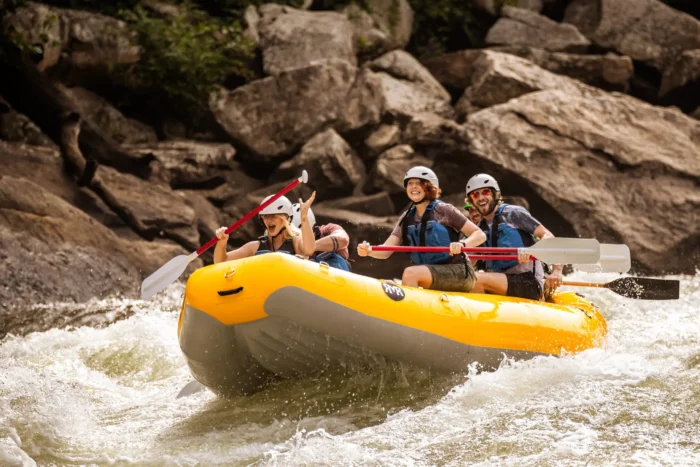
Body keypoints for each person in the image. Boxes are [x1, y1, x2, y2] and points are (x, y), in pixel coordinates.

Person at [357, 166, 486, 292]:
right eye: (410, 183)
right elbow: (386, 251)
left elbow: (479, 234)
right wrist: (369, 250)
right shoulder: (406, 218)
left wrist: (462, 244)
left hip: (459, 272)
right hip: (430, 272)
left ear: (430, 187)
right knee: (401, 278)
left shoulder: (444, 210)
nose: (413, 187)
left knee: (410, 273)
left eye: (419, 183)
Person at [466, 174, 563, 300]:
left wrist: (556, 272)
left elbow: (548, 235)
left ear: (495, 194)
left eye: (485, 192)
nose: (481, 197)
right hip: (502, 283)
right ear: (472, 201)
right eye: (475, 195)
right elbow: (469, 260)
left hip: (529, 282)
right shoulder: (480, 230)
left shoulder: (513, 213)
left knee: (476, 280)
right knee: (468, 279)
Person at [214, 194, 316, 262]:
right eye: (266, 216)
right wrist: (222, 243)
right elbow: (221, 261)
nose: (269, 220)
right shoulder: (255, 247)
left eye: (274, 216)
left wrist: (304, 218)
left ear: (285, 219)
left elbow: (309, 250)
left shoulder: (296, 242)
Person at [291, 202, 351, 271]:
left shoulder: (328, 230)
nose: (298, 239)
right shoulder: (289, 242)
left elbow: (343, 240)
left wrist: (309, 247)